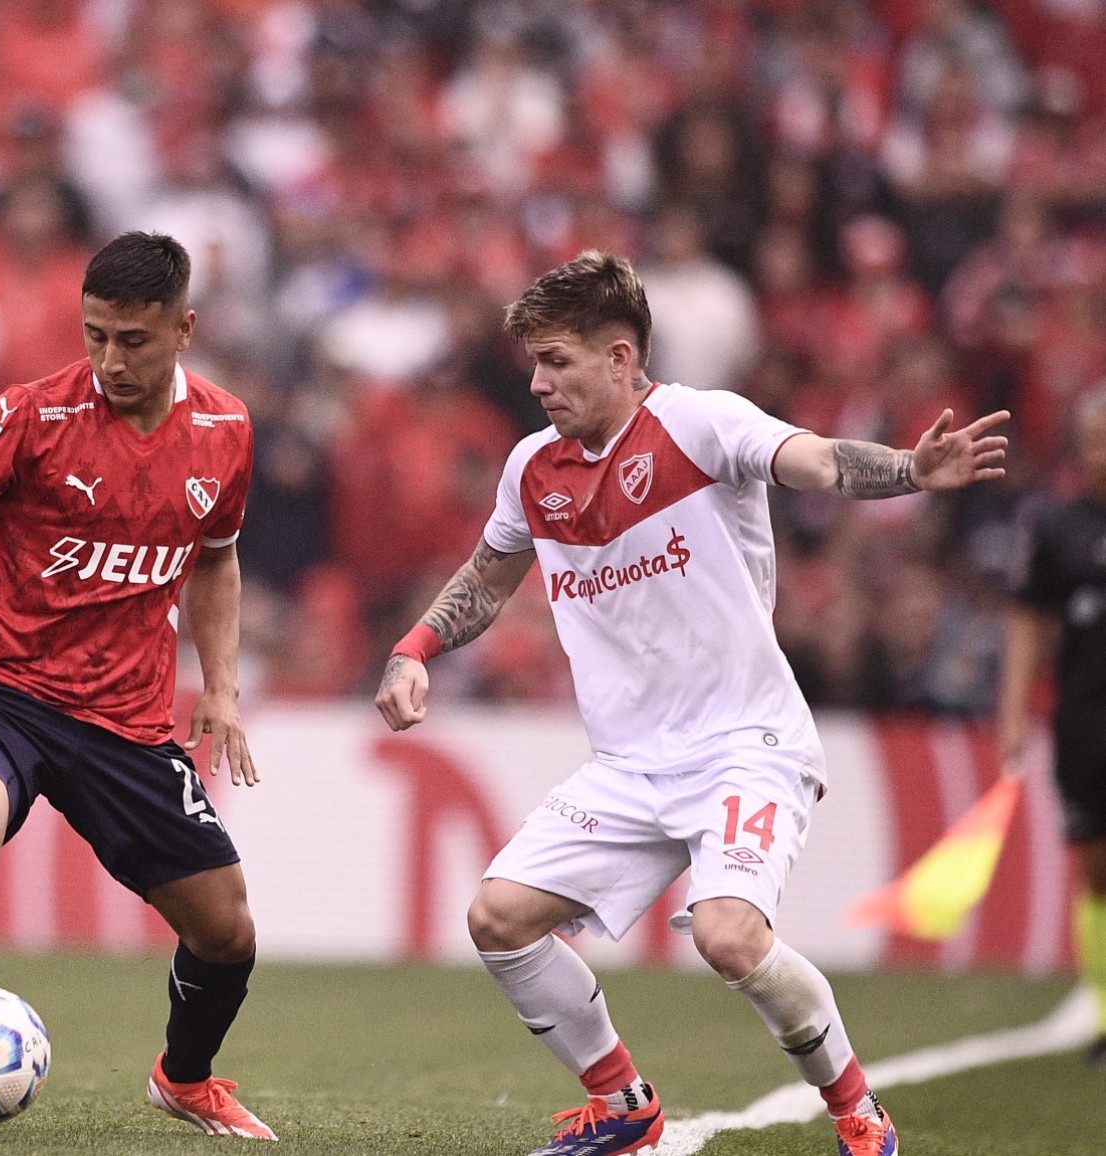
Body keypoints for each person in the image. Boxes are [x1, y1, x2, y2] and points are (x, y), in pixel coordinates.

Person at [374, 251, 1008, 1156]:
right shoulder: (530, 468)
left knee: (728, 936)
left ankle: (859, 1113)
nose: (537, 379)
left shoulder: (702, 424)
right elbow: (487, 577)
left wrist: (909, 469)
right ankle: (623, 1105)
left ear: (622, 358)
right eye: (535, 361)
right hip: (630, 763)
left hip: (745, 744)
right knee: (499, 918)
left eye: (557, 360)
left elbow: (817, 460)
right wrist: (414, 649)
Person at [0, 232, 273, 1141]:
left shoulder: (225, 431)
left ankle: (184, 1079)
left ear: (185, 328)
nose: (109, 359)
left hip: (127, 723)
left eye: (133, 341)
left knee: (227, 931)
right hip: (2, 686)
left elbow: (216, 564)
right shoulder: (33, 415)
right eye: (95, 334)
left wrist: (219, 686)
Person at [998, 388, 1106, 1066]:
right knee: (1096, 867)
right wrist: (1012, 714)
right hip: (1087, 719)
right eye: (1093, 440)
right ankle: (1104, 1013)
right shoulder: (1059, 527)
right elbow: (1028, 623)